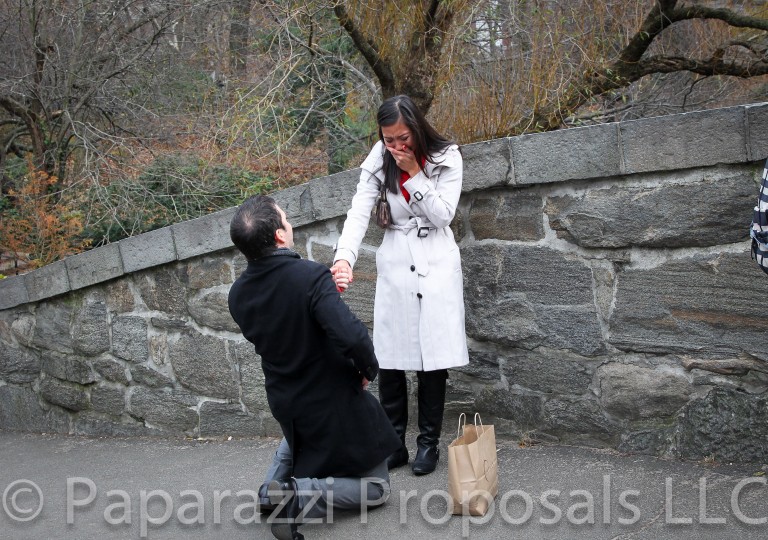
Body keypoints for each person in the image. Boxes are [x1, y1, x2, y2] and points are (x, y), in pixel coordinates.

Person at [227, 195, 401, 540]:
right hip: (332, 399)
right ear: (279, 235)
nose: (289, 224)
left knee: (297, 433)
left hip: (286, 401)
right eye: (286, 219)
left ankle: (269, 492)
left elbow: (288, 326)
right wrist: (368, 369)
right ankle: (295, 497)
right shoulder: (309, 276)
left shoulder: (238, 294)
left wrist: (326, 295)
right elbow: (351, 337)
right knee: (378, 488)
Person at [331, 95, 470, 476]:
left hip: (435, 262)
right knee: (390, 356)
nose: (396, 147)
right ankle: (395, 444)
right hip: (395, 260)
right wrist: (345, 256)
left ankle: (428, 444)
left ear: (417, 127)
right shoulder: (381, 155)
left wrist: (413, 174)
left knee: (432, 358)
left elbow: (443, 215)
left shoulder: (447, 157)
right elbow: (359, 208)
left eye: (402, 138)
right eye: (389, 139)